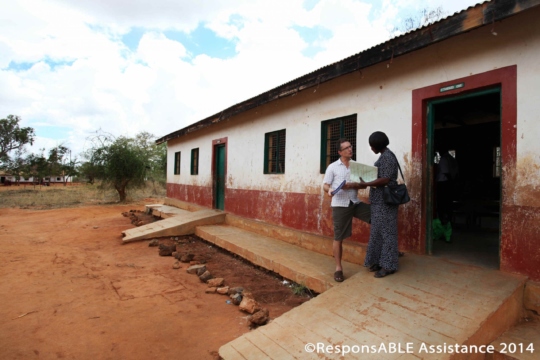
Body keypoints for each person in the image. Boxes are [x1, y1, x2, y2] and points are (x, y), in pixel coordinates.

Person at [323, 138, 371, 282]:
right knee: (338, 237)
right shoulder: (332, 167)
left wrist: (352, 186)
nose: (350, 149)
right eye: (346, 148)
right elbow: (325, 185)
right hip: (340, 204)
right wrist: (330, 190)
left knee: (377, 217)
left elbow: (364, 186)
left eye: (351, 147)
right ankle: (338, 268)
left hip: (355, 202)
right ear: (340, 152)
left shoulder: (356, 166)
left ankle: (387, 250)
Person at [360, 131, 400, 278]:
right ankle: (378, 260)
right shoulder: (384, 156)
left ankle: (389, 266)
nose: (371, 149)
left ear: (378, 145)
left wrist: (366, 183)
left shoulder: (388, 157)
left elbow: (385, 179)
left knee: (387, 233)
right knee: (377, 232)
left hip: (386, 202)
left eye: (372, 146)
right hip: (379, 201)